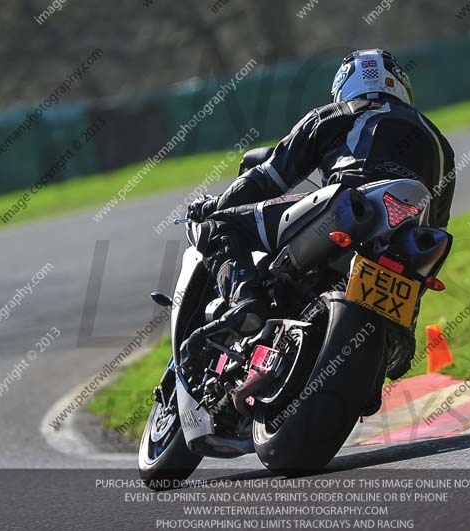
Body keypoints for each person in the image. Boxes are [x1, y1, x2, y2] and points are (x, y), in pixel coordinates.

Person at [182, 49, 456, 396]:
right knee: (424, 248)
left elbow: (267, 178)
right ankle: (398, 332)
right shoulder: (440, 143)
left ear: (344, 85)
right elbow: (439, 225)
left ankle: (246, 302)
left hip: (348, 203)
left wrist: (215, 205)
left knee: (221, 226)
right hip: (407, 232)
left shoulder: (334, 114)